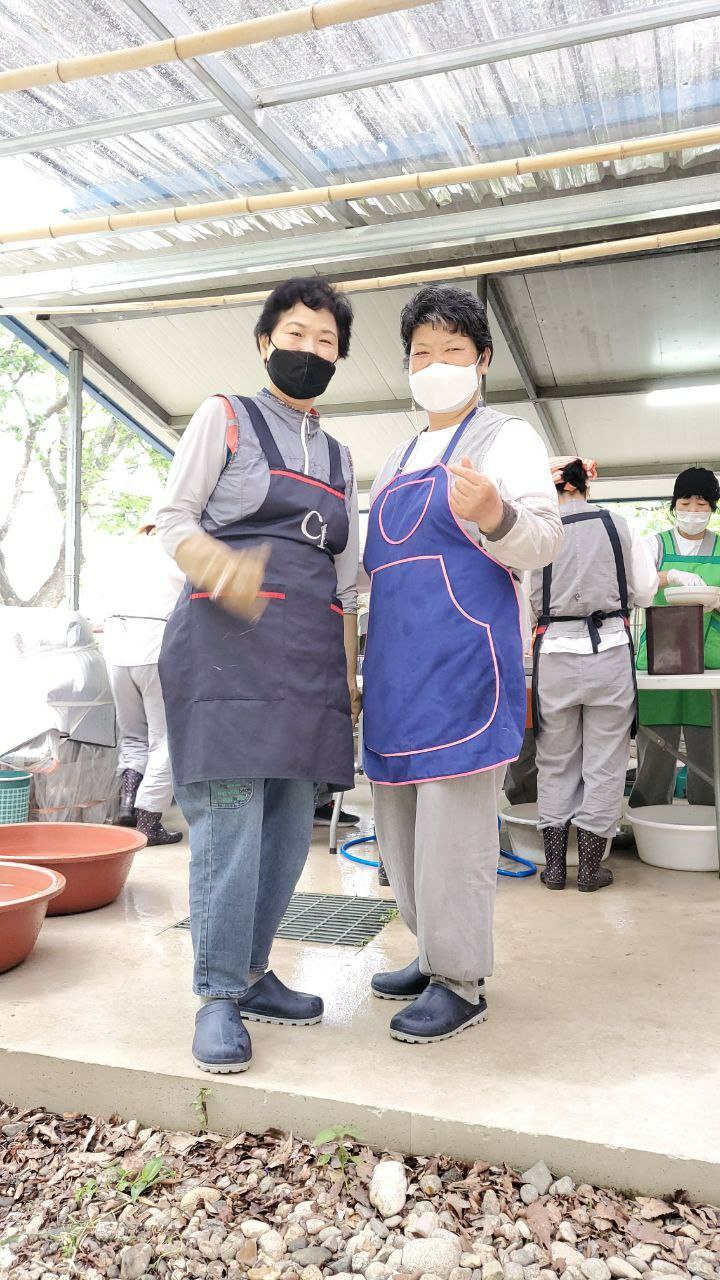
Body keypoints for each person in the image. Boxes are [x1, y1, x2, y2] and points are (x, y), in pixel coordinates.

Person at [155, 277, 361, 1074]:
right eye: (297, 334)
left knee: (285, 830)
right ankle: (214, 994)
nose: (310, 351)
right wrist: (221, 566)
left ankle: (251, 971)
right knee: (231, 822)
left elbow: (345, 584)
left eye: (327, 343)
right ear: (264, 340)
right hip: (225, 651)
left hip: (307, 658)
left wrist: (346, 680)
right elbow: (172, 518)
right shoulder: (226, 418)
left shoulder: (341, 457)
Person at [363, 284, 562, 1044]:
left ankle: (462, 978)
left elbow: (543, 539)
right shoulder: (396, 456)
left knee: (454, 830)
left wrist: (495, 514)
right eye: (421, 353)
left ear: (482, 360)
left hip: (464, 662)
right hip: (395, 669)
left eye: (452, 351)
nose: (436, 365)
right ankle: (428, 949)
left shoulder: (507, 438)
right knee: (400, 821)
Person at [531, 458, 658, 891]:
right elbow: (644, 589)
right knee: (606, 763)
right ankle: (588, 869)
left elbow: (522, 599)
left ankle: (552, 868)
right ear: (585, 485)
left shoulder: (538, 532)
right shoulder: (619, 526)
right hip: (610, 653)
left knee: (555, 761)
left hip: (554, 656)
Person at [630, 466, 720, 808]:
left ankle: (708, 828)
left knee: (710, 753)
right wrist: (673, 576)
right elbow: (636, 586)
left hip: (711, 666)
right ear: (674, 504)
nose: (694, 510)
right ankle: (649, 822)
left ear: (712, 507)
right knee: (655, 748)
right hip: (660, 662)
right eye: (686, 501)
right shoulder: (653, 544)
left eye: (702, 502)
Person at [104, 511, 185, 845]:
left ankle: (127, 805)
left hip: (116, 649)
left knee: (134, 737)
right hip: (154, 648)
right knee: (165, 741)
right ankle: (149, 822)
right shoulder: (177, 550)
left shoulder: (126, 550)